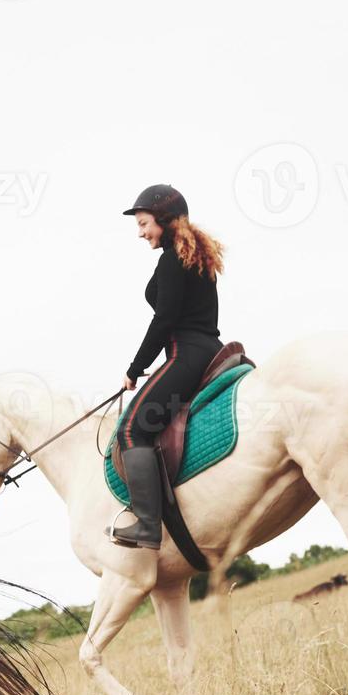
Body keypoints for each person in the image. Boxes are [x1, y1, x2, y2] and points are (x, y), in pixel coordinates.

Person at [106, 184, 225, 550]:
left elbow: (164, 320)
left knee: (129, 432)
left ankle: (146, 524)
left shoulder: (173, 260)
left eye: (144, 224)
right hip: (208, 349)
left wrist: (135, 367)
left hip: (185, 354)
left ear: (164, 220)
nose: (141, 233)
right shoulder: (196, 256)